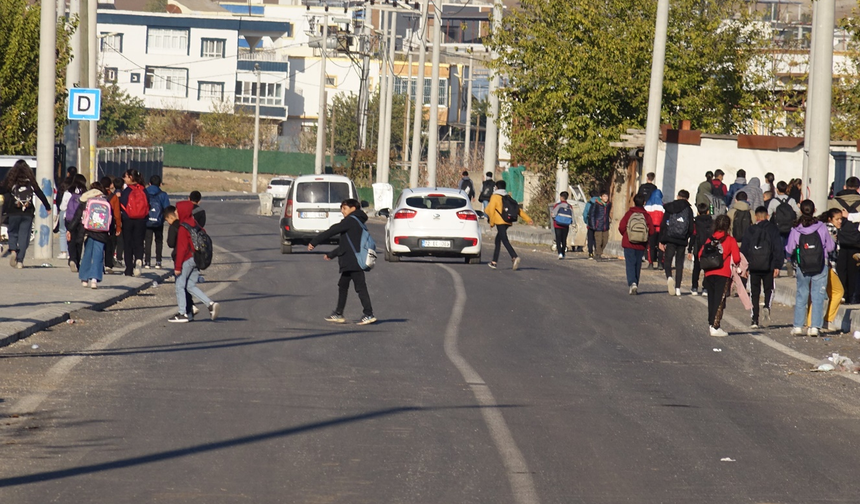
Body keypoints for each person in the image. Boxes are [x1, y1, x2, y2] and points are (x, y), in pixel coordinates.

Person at [308, 199, 376, 325]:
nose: (342, 211)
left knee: (360, 287)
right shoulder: (357, 221)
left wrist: (315, 241)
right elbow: (347, 245)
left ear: (353, 208)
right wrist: (332, 254)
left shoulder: (351, 220)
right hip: (350, 260)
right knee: (343, 285)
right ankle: (339, 313)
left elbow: (333, 230)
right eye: (341, 208)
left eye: (344, 208)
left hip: (353, 261)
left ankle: (368, 313)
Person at [786, 200, 834, 336]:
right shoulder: (821, 227)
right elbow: (830, 247)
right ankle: (814, 327)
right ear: (814, 210)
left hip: (803, 266)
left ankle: (798, 326)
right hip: (820, 265)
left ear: (801, 211)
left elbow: (789, 249)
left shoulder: (796, 229)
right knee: (818, 296)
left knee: (802, 295)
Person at [169, 200, 220, 323]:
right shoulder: (194, 223)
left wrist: (178, 267)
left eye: (177, 210)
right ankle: (210, 304)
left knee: (179, 285)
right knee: (190, 285)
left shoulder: (183, 228)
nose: (176, 212)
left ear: (183, 211)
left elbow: (181, 249)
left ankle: (182, 313)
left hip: (187, 259)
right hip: (196, 258)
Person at [0, 160, 52, 269]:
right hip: (28, 212)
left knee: (12, 232)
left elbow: (2, 189)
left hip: (13, 211)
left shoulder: (11, 181)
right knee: (24, 236)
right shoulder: (30, 182)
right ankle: (20, 261)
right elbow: (39, 193)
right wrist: (47, 206)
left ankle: (13, 250)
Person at [740, 206, 783, 329]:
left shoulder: (750, 230)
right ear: (767, 216)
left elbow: (744, 249)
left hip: (754, 266)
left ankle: (754, 319)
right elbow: (778, 248)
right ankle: (767, 306)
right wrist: (777, 265)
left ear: (755, 217)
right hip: (768, 265)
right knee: (769, 289)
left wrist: (745, 267)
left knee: (754, 292)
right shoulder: (773, 229)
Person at [698, 214, 740, 337]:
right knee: (719, 300)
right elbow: (736, 258)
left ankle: (711, 323)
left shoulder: (710, 239)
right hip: (723, 273)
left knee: (711, 299)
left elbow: (700, 253)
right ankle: (715, 326)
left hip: (709, 272)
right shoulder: (730, 240)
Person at [66, 186, 112, 289]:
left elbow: (77, 217)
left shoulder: (86, 203)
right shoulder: (106, 202)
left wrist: (70, 229)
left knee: (87, 254)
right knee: (98, 255)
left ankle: (84, 278)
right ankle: (95, 279)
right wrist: (111, 233)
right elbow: (110, 219)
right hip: (102, 232)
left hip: (88, 232)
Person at [808, 209, 843, 332]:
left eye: (841, 219)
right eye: (837, 219)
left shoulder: (818, 227)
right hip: (828, 266)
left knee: (814, 293)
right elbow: (831, 248)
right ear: (830, 219)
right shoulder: (832, 229)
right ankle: (827, 320)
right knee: (838, 292)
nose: (840, 221)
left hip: (813, 264)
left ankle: (810, 322)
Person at [486, 180, 534, 270]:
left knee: (504, 239)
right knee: (498, 240)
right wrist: (528, 219)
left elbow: (491, 210)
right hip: (508, 221)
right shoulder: (507, 196)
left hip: (500, 221)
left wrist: (491, 223)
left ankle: (514, 256)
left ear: (496, 187)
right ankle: (494, 262)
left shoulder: (495, 197)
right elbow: (518, 210)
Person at [659, 189, 694, 296]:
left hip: (670, 238)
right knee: (679, 263)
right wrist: (686, 237)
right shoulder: (688, 209)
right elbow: (691, 228)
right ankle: (678, 288)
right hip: (682, 240)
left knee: (668, 260)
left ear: (678, 196)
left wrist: (662, 240)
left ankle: (669, 277)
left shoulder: (670, 207)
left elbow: (663, 224)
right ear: (687, 199)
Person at [619, 193, 655, 295]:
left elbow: (621, 227)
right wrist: (645, 236)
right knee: (637, 265)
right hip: (641, 244)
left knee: (630, 264)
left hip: (629, 243)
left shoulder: (629, 214)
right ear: (644, 203)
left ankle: (632, 282)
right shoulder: (646, 215)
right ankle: (636, 284)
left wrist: (627, 235)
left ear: (634, 202)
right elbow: (652, 230)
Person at [119, 169, 149, 277]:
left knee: (128, 244)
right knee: (139, 242)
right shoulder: (143, 190)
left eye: (126, 176)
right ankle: (139, 259)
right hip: (141, 220)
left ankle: (129, 269)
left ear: (131, 177)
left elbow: (122, 203)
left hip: (128, 219)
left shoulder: (127, 191)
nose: (124, 179)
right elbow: (148, 204)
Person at [61, 174, 87, 272]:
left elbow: (62, 207)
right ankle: (77, 261)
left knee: (70, 240)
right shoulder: (85, 193)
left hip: (69, 220)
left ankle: (72, 259)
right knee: (79, 241)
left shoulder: (68, 192)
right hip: (81, 220)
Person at [144, 175, 170, 269]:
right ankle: (158, 261)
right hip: (159, 221)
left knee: (148, 241)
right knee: (158, 241)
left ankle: (147, 262)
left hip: (147, 220)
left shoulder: (145, 192)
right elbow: (167, 208)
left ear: (149, 183)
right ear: (160, 184)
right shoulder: (163, 194)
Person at [690, 202, 713, 297]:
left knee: (696, 268)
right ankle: (705, 288)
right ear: (708, 211)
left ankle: (694, 287)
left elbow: (693, 235)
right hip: (709, 247)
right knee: (707, 268)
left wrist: (690, 249)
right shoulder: (712, 222)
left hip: (698, 246)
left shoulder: (695, 222)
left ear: (698, 212)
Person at [55, 166, 78, 260]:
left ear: (68, 173)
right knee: (73, 232)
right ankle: (70, 252)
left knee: (62, 231)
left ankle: (63, 252)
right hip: (75, 211)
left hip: (64, 210)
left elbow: (59, 198)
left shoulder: (64, 184)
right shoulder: (77, 185)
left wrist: (59, 208)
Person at [100, 176, 121, 273]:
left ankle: (99, 264)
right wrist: (118, 227)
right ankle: (108, 264)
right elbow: (117, 214)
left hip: (98, 222)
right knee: (109, 244)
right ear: (111, 185)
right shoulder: (114, 197)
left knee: (99, 244)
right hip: (109, 223)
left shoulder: (98, 195)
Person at [587, 190, 611, 260]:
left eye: (607, 196)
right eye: (604, 196)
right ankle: (598, 254)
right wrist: (593, 225)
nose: (606, 198)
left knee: (605, 241)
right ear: (600, 197)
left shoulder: (609, 205)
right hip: (598, 226)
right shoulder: (596, 204)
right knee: (598, 241)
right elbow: (592, 215)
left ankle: (599, 252)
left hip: (605, 226)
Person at [644, 189, 664, 269]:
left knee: (651, 247)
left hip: (651, 229)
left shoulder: (647, 206)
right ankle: (660, 263)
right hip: (661, 229)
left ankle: (651, 263)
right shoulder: (663, 205)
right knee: (661, 246)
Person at [551, 191, 573, 259]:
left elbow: (553, 214)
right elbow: (572, 216)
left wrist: (555, 219)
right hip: (566, 225)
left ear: (561, 197)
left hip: (557, 225)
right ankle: (563, 253)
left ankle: (559, 253)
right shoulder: (570, 206)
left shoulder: (557, 205)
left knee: (558, 239)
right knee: (564, 239)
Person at [583, 190, 599, 259]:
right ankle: (597, 252)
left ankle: (590, 253)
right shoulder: (601, 203)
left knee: (590, 238)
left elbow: (585, 214)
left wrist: (587, 221)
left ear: (590, 196)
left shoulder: (588, 203)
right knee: (597, 238)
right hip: (599, 224)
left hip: (590, 224)